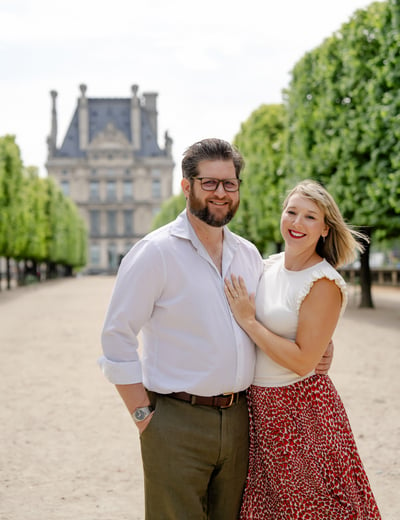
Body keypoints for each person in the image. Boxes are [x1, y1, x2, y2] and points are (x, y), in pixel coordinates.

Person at [99, 140, 332, 520]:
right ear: (186, 186)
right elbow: (116, 338)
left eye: (230, 183)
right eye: (209, 183)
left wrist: (321, 342)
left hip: (242, 421)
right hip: (176, 422)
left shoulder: (249, 254)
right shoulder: (155, 252)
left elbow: (276, 315)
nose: (221, 193)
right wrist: (144, 419)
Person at [224, 179, 381, 519]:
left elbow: (301, 361)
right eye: (291, 212)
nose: (297, 223)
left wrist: (250, 322)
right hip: (261, 409)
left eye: (310, 217)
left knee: (312, 509)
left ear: (325, 229)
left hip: (301, 410)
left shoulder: (322, 282)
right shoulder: (268, 266)